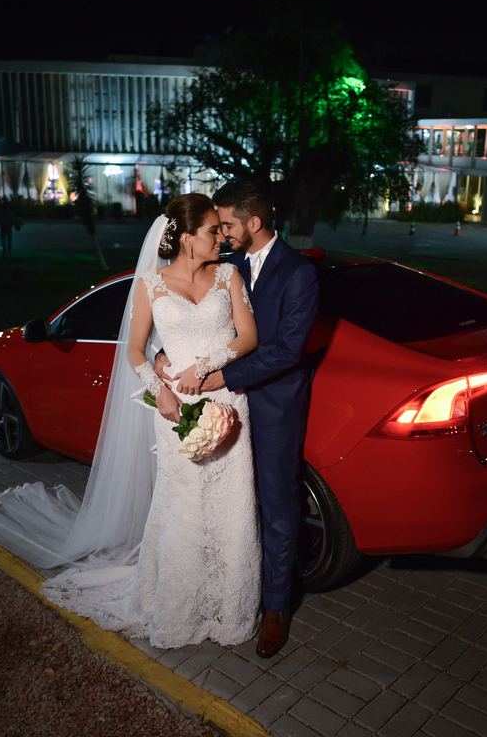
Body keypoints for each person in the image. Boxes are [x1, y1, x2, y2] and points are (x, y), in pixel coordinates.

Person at [0, 194, 262, 649]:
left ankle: (231, 610)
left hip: (228, 402)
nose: (222, 236)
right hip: (177, 409)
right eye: (212, 230)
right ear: (186, 238)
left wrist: (206, 366)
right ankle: (179, 609)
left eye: (222, 230)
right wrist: (160, 388)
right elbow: (135, 351)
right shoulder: (150, 286)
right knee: (183, 511)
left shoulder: (229, 275)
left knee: (233, 507)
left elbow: (249, 336)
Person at [158, 180, 318, 657]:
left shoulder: (299, 273)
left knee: (276, 502)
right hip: (224, 398)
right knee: (226, 503)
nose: (221, 232)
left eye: (227, 224)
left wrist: (217, 378)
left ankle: (275, 607)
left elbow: (288, 350)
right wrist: (171, 353)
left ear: (254, 223)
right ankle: (221, 593)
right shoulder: (225, 265)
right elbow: (199, 318)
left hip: (270, 405)